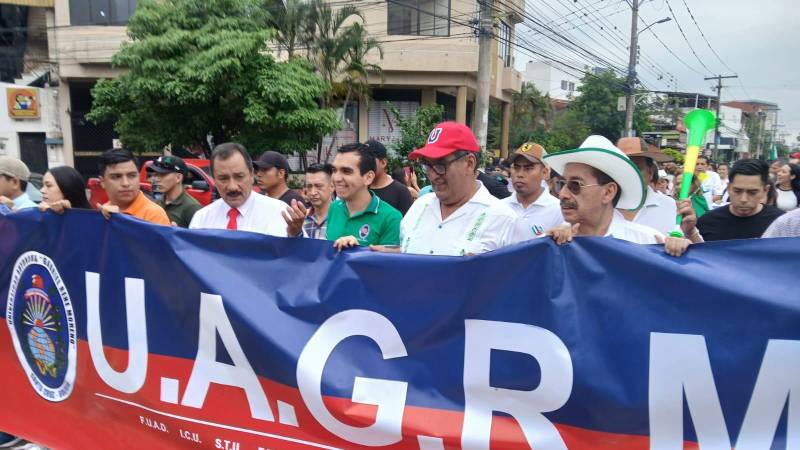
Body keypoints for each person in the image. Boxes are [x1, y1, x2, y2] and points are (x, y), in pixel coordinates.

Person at [374, 122, 528, 256]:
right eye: (427, 165)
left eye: (441, 165)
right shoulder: (420, 207)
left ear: (469, 163)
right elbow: (411, 255)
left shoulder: (504, 220)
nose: (433, 175)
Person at [543, 136, 696, 257]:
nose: (562, 194)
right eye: (561, 184)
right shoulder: (552, 242)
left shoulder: (647, 242)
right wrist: (546, 247)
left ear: (608, 192)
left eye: (575, 185)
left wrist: (681, 252)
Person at [190, 143, 306, 237]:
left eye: (239, 177)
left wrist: (295, 235)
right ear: (214, 180)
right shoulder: (201, 220)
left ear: (251, 174)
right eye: (223, 179)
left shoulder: (280, 213)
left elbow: (302, 259)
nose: (232, 187)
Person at [327, 143, 402, 249]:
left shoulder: (391, 218)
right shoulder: (334, 208)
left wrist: (359, 250)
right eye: (334, 170)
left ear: (368, 177)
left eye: (347, 171)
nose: (337, 178)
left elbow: (389, 263)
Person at [697, 159, 785, 241]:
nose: (744, 199)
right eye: (737, 191)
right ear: (728, 188)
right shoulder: (707, 222)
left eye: (752, 192)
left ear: (765, 190)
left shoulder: (781, 223)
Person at [616, 137, 680, 236]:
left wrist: (691, 232)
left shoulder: (670, 205)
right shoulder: (601, 206)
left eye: (636, 168)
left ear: (650, 172)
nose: (629, 173)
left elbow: (693, 246)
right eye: (622, 167)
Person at [501, 142, 564, 238]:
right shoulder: (498, 208)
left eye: (528, 168)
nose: (520, 174)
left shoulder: (559, 212)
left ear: (545, 172)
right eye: (516, 167)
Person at [96, 148, 171, 225]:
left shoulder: (154, 215)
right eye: (116, 176)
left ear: (138, 177)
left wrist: (118, 221)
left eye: (132, 176)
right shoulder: (103, 212)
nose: (125, 183)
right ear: (102, 182)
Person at [149, 155, 201, 227]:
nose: (156, 179)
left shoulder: (192, 207)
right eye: (155, 174)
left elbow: (199, 237)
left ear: (178, 177)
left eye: (162, 174)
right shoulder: (157, 203)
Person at [364, 140, 413, 215]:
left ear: (383, 162)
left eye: (369, 160)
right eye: (363, 160)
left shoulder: (401, 191)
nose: (365, 164)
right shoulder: (360, 188)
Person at [303, 163, 334, 239]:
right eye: (309, 186)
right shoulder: (301, 219)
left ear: (332, 187)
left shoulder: (343, 218)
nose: (313, 192)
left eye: (319, 186)